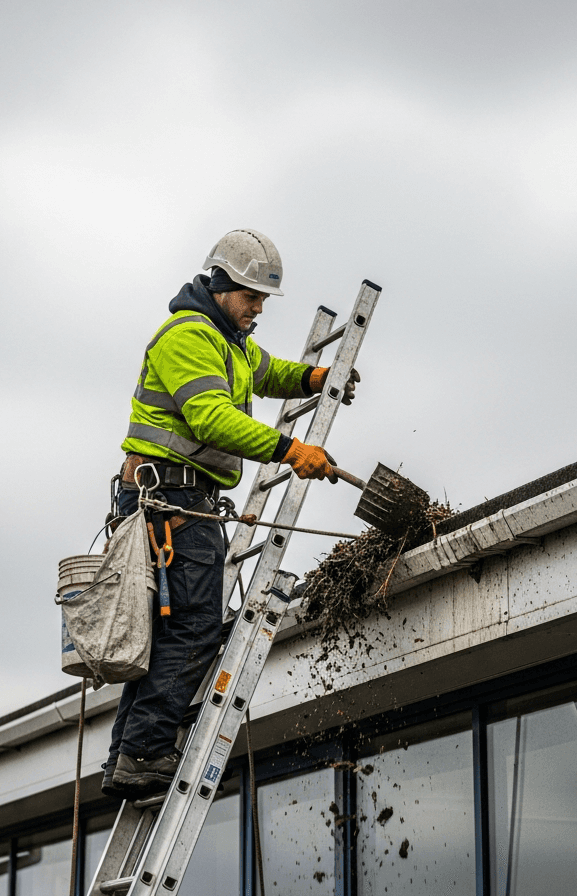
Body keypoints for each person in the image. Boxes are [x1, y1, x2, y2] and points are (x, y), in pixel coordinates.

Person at [104, 228, 359, 795]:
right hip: (169, 503)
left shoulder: (231, 340)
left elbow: (267, 374)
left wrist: (312, 378)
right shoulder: (188, 337)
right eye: (251, 295)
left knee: (166, 633)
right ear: (219, 285)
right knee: (193, 629)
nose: (259, 307)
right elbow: (212, 418)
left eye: (264, 298)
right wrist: (292, 450)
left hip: (180, 502)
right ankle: (143, 754)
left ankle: (128, 756)